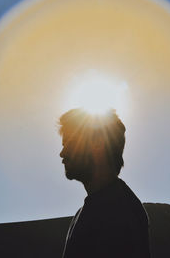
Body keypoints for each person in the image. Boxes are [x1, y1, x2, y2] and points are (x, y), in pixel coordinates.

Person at [59, 108, 151, 258]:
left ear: (97, 142)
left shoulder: (120, 212)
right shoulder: (89, 210)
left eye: (68, 142)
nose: (62, 153)